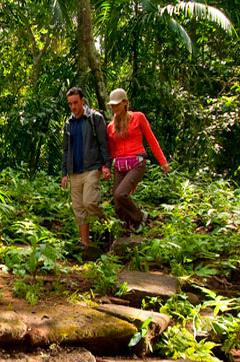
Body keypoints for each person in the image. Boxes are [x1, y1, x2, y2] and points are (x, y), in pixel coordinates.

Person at [105, 87, 169, 233]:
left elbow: (151, 140)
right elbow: (111, 151)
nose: (115, 108)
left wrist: (163, 161)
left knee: (120, 194)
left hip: (137, 162)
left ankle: (140, 217)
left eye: (117, 104)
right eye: (112, 105)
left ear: (125, 102)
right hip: (120, 165)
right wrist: (106, 167)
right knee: (118, 203)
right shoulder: (111, 126)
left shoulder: (138, 117)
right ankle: (126, 231)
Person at [61, 86, 111, 251]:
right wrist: (64, 173)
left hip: (92, 167)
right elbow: (66, 150)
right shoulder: (68, 124)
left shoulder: (94, 118)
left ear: (82, 101)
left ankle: (108, 228)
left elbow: (103, 144)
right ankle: (85, 244)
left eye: (75, 102)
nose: (73, 107)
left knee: (89, 202)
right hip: (74, 171)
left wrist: (107, 165)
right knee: (78, 209)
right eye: (70, 104)